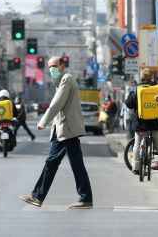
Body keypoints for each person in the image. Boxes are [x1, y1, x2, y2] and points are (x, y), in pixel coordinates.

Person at [19, 56, 93, 209]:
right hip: (63, 130)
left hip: (67, 130)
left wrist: (43, 121)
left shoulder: (67, 79)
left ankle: (38, 196)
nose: (51, 69)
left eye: (54, 65)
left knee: (55, 163)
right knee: (69, 164)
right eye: (49, 66)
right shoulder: (59, 83)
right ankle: (85, 197)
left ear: (62, 65)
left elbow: (56, 104)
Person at [125, 69, 158, 175]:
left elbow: (128, 104)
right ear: (151, 78)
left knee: (137, 144)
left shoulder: (136, 89)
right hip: (156, 123)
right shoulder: (156, 89)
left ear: (141, 78)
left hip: (140, 123)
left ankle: (136, 167)